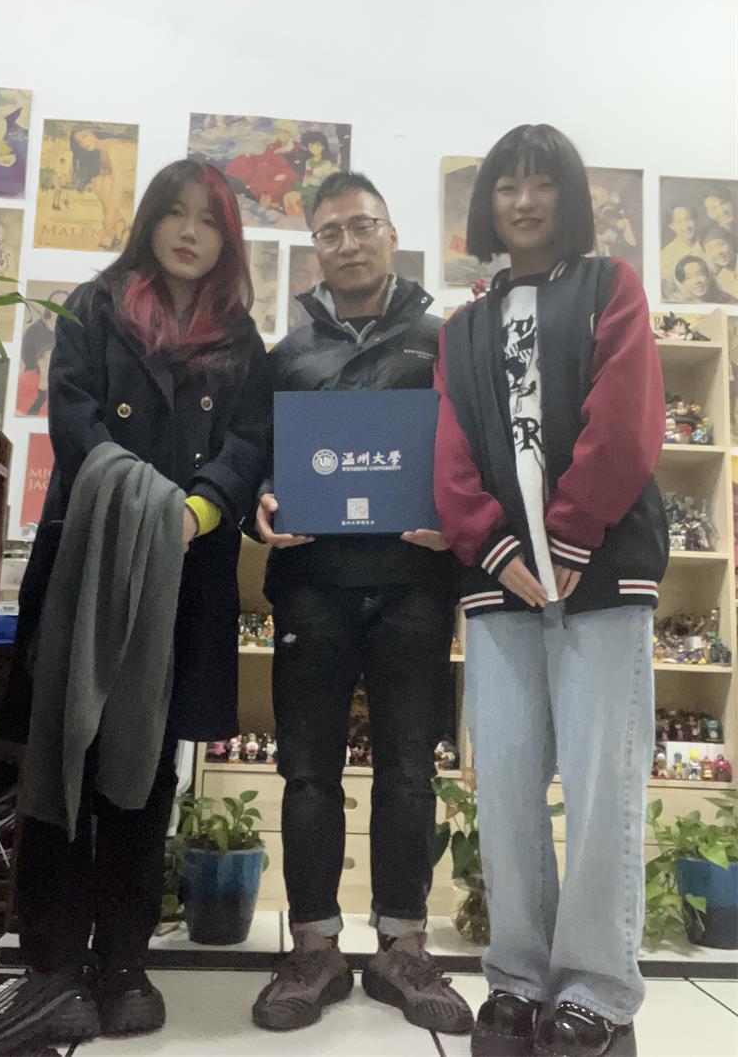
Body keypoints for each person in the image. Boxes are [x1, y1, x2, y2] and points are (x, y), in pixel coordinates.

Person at [0, 159, 270, 1045]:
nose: (190, 232)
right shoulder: (95, 305)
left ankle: (123, 961)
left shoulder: (242, 344)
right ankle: (50, 963)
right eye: (175, 214)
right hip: (87, 557)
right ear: (149, 219)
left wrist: (195, 511)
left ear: (228, 239)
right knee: (64, 748)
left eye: (209, 220)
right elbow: (72, 416)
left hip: (185, 573)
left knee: (147, 768)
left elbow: (249, 444)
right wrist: (152, 506)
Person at [434, 124, 668, 1057]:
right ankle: (518, 979)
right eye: (507, 186)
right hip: (502, 586)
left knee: (605, 784)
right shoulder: (462, 326)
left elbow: (628, 413)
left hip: (601, 572)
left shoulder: (611, 286)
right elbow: (452, 449)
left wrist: (573, 528)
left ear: (568, 197)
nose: (524, 202)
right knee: (506, 786)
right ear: (487, 204)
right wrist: (490, 543)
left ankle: (598, 990)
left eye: (542, 184)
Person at [251, 171, 473, 1037]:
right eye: (331, 231)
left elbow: (471, 450)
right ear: (315, 247)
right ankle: (313, 948)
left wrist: (455, 517)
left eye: (362, 225)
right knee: (307, 771)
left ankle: (402, 948)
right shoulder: (287, 354)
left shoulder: (441, 342)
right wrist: (262, 501)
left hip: (414, 582)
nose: (348, 243)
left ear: (391, 235)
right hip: (312, 584)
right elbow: (257, 456)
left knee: (410, 770)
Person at [71, 128, 137, 249]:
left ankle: (111, 228)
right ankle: (118, 222)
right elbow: (106, 178)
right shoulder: (101, 152)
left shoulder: (112, 147)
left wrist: (108, 215)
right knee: (99, 181)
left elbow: (118, 183)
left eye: (85, 136)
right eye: (79, 141)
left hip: (142, 180)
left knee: (106, 181)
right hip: (129, 181)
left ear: (94, 133)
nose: (83, 143)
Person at [660, 202, 704, 300]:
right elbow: (668, 292)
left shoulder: (709, 244)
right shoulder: (665, 255)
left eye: (688, 219)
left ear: (695, 220)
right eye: (679, 222)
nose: (685, 226)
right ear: (671, 226)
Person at [702, 225, 738, 300]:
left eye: (721, 244)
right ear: (706, 254)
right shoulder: (721, 280)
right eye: (710, 249)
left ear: (730, 243)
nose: (718, 252)